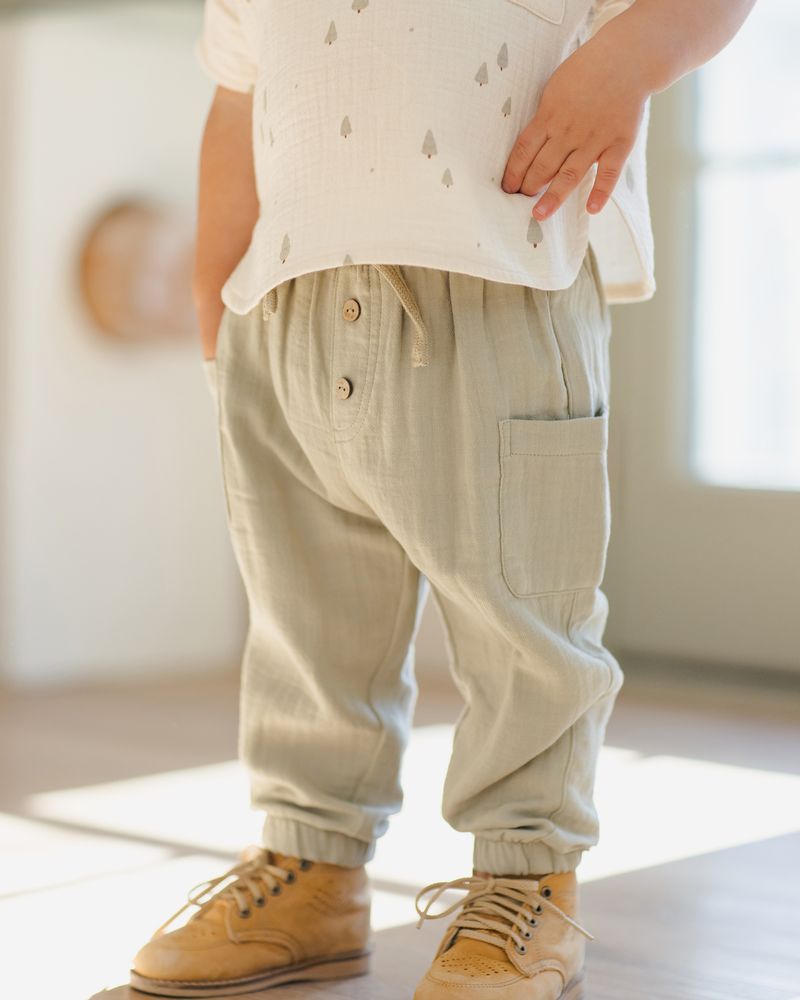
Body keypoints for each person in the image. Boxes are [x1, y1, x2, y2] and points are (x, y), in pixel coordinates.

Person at [129, 1, 756, 997]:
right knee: (304, 620)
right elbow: (237, 97)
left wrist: (627, 61)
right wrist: (219, 304)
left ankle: (526, 882)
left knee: (524, 623)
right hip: (281, 303)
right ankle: (310, 863)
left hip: (499, 282)